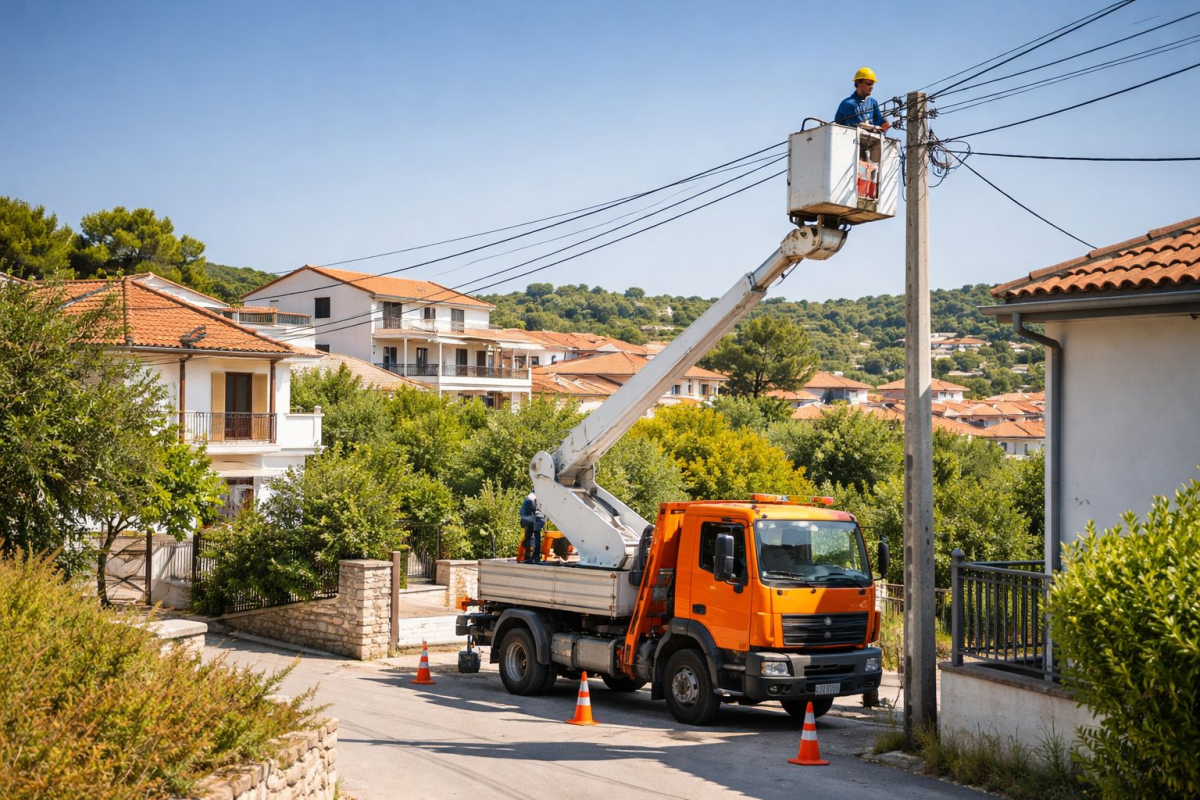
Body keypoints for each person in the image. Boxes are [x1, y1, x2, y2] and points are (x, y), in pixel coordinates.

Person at [834, 67, 891, 132]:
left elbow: (879, 121)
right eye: (868, 83)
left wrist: (885, 123)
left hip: (868, 140)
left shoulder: (872, 103)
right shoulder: (848, 104)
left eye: (872, 84)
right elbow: (858, 126)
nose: (871, 87)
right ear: (858, 83)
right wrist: (877, 129)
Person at [519, 491, 546, 564]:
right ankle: (534, 555)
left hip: (532, 516)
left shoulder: (531, 497)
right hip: (533, 515)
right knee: (534, 534)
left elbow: (522, 512)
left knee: (532, 534)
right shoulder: (534, 497)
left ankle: (532, 555)